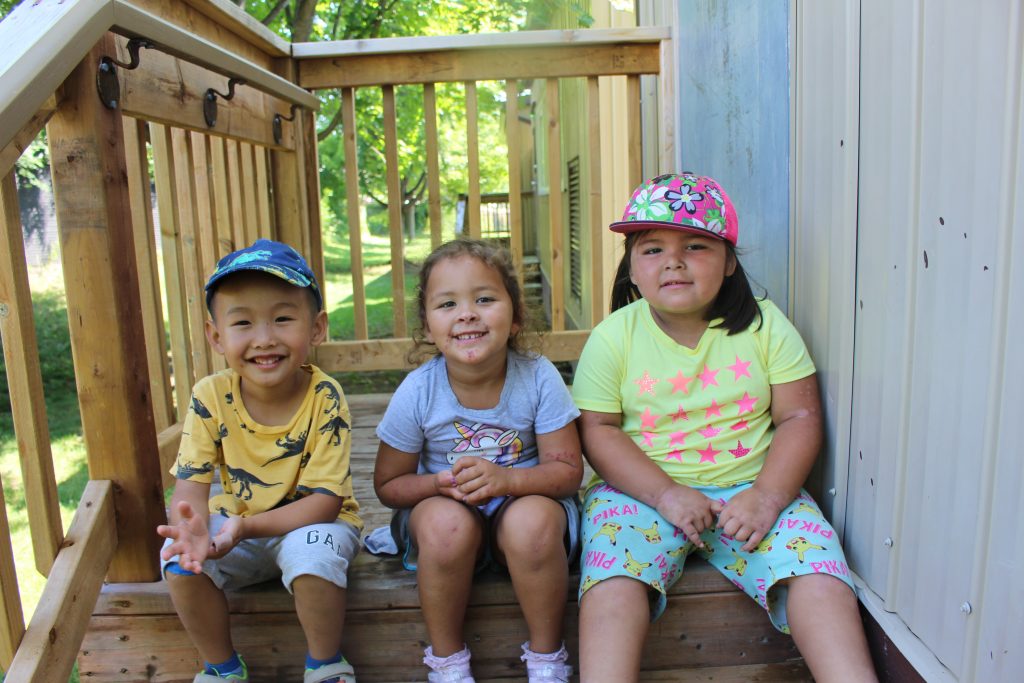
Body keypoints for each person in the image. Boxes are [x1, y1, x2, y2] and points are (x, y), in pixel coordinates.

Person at [573, 173, 878, 682]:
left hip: (754, 488)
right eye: (651, 249)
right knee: (613, 579)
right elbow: (599, 430)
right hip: (642, 493)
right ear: (631, 268)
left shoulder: (765, 326)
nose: (673, 261)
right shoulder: (613, 338)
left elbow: (799, 417)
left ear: (730, 261)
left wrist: (767, 496)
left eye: (695, 245)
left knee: (817, 571)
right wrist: (667, 494)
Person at [373, 238, 583, 683]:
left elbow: (567, 473)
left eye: (484, 299)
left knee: (533, 524)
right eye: (447, 304)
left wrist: (507, 481)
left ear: (515, 316)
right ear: (428, 327)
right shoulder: (418, 390)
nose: (467, 313)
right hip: (445, 510)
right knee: (447, 527)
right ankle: (448, 664)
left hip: (524, 506)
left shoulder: (539, 376)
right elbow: (389, 485)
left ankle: (547, 660)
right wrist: (437, 485)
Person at [157, 239, 361, 683]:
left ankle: (325, 664)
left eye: (283, 318)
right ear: (216, 336)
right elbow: (190, 489)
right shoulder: (210, 395)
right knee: (178, 560)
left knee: (314, 554)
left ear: (316, 328)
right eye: (243, 323)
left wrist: (244, 528)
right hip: (235, 528)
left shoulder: (325, 396)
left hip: (314, 525)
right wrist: (190, 529)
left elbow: (325, 503)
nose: (264, 339)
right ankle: (223, 668)